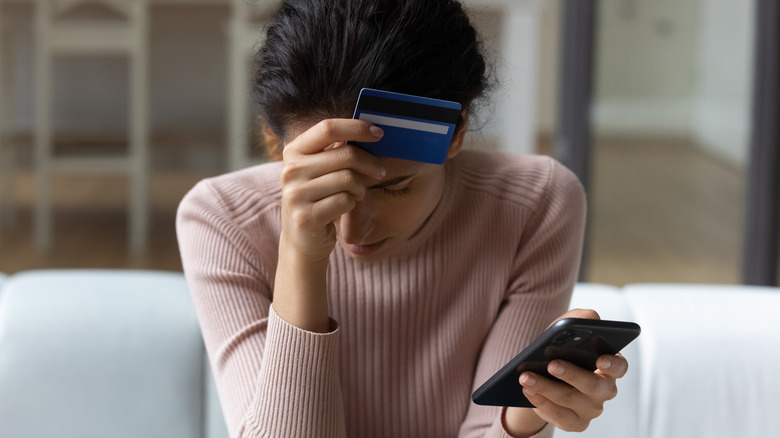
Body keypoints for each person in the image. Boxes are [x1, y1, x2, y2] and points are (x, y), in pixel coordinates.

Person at [176, 1, 628, 437]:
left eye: (393, 186)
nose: (351, 230)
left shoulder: (535, 204)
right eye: (329, 189)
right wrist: (300, 254)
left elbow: (500, 422)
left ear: (458, 132)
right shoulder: (223, 220)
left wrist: (525, 415)